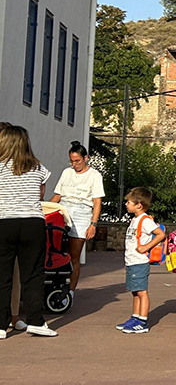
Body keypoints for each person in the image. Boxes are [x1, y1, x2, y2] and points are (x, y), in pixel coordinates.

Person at [0, 125, 57, 338]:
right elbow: (41, 194)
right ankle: (36, 322)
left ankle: (1, 325)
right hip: (33, 222)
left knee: (3, 276)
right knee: (33, 275)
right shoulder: (38, 167)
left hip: (4, 221)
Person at [48, 141, 104, 300]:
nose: (74, 164)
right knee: (56, 248)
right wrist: (44, 208)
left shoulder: (94, 175)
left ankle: (70, 291)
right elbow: (58, 195)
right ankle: (55, 283)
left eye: (77, 161)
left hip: (82, 212)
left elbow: (97, 202)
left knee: (74, 254)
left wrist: (93, 224)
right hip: (64, 209)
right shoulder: (67, 172)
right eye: (72, 161)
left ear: (86, 158)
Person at [116, 187, 165, 334]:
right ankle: (135, 317)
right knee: (135, 291)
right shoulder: (135, 220)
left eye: (129, 202)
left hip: (139, 261)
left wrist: (146, 247)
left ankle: (142, 321)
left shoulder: (145, 220)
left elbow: (160, 234)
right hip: (131, 261)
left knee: (142, 292)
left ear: (139, 205)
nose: (126, 204)